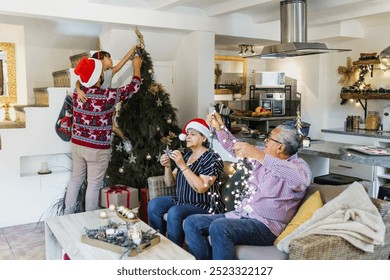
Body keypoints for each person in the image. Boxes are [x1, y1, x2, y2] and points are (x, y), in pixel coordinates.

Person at [183, 112, 312, 259]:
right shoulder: (264, 159)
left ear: (280, 147)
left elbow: (298, 180)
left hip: (267, 226)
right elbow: (234, 147)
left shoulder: (299, 167)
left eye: (269, 139)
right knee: (191, 222)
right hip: (242, 215)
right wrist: (220, 128)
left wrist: (258, 155)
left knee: (220, 227)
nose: (265, 142)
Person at [64, 55, 142, 214]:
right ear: (98, 77)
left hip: (77, 144)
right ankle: (89, 220)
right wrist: (136, 67)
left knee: (75, 180)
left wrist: (79, 86)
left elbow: (80, 81)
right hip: (97, 149)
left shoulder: (77, 93)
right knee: (93, 185)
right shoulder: (108, 96)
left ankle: (67, 214)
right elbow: (134, 87)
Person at [147, 118, 225, 247]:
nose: (188, 137)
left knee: (175, 212)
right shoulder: (187, 156)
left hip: (204, 205)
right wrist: (168, 167)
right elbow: (170, 183)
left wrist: (183, 166)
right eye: (188, 134)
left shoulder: (212, 157)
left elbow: (201, 188)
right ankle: (159, 243)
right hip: (182, 201)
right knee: (155, 204)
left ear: (204, 138)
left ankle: (176, 250)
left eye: (193, 134)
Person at [75, 46, 137, 153]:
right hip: (94, 109)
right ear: (101, 60)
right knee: (110, 127)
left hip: (107, 106)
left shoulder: (109, 73)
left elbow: (123, 61)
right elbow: (78, 81)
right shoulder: (91, 74)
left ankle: (124, 141)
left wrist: (133, 49)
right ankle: (120, 142)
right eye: (109, 57)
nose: (111, 60)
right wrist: (79, 91)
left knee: (112, 127)